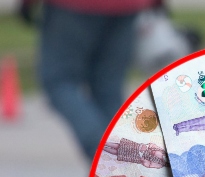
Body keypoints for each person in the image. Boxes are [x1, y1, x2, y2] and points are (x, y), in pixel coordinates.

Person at [20, 0, 159, 163]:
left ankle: (103, 151)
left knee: (59, 81)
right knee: (108, 88)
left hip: (74, 7)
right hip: (126, 7)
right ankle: (113, 163)